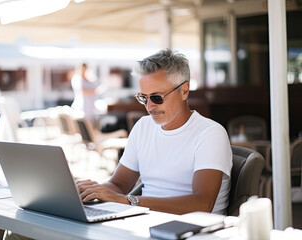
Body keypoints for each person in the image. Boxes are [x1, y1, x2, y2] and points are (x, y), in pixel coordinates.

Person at [77, 49, 233, 215]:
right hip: (146, 223)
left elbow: (202, 203)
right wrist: (89, 192)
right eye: (144, 98)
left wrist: (128, 201)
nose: (150, 106)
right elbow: (119, 185)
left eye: (157, 97)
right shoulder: (143, 127)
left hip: (193, 230)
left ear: (184, 91)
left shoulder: (210, 134)